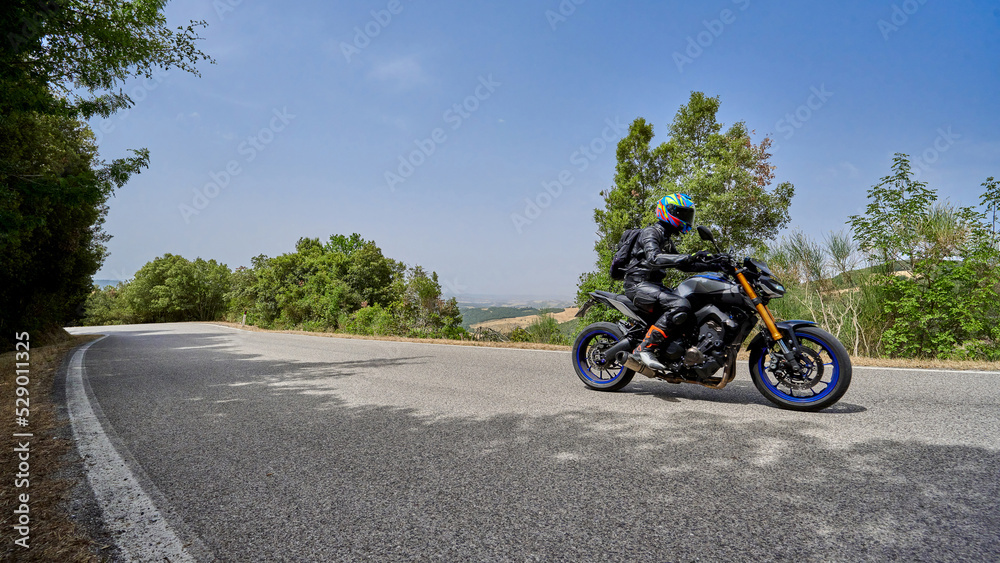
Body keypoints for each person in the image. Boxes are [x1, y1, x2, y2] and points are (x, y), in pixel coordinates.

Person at [623, 193, 715, 371]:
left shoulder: (666, 239)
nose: (686, 218)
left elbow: (684, 265)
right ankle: (644, 348)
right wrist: (688, 257)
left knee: (692, 304)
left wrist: (713, 263)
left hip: (653, 286)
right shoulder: (650, 232)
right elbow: (654, 259)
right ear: (668, 212)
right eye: (682, 213)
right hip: (638, 285)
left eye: (687, 214)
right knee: (679, 304)